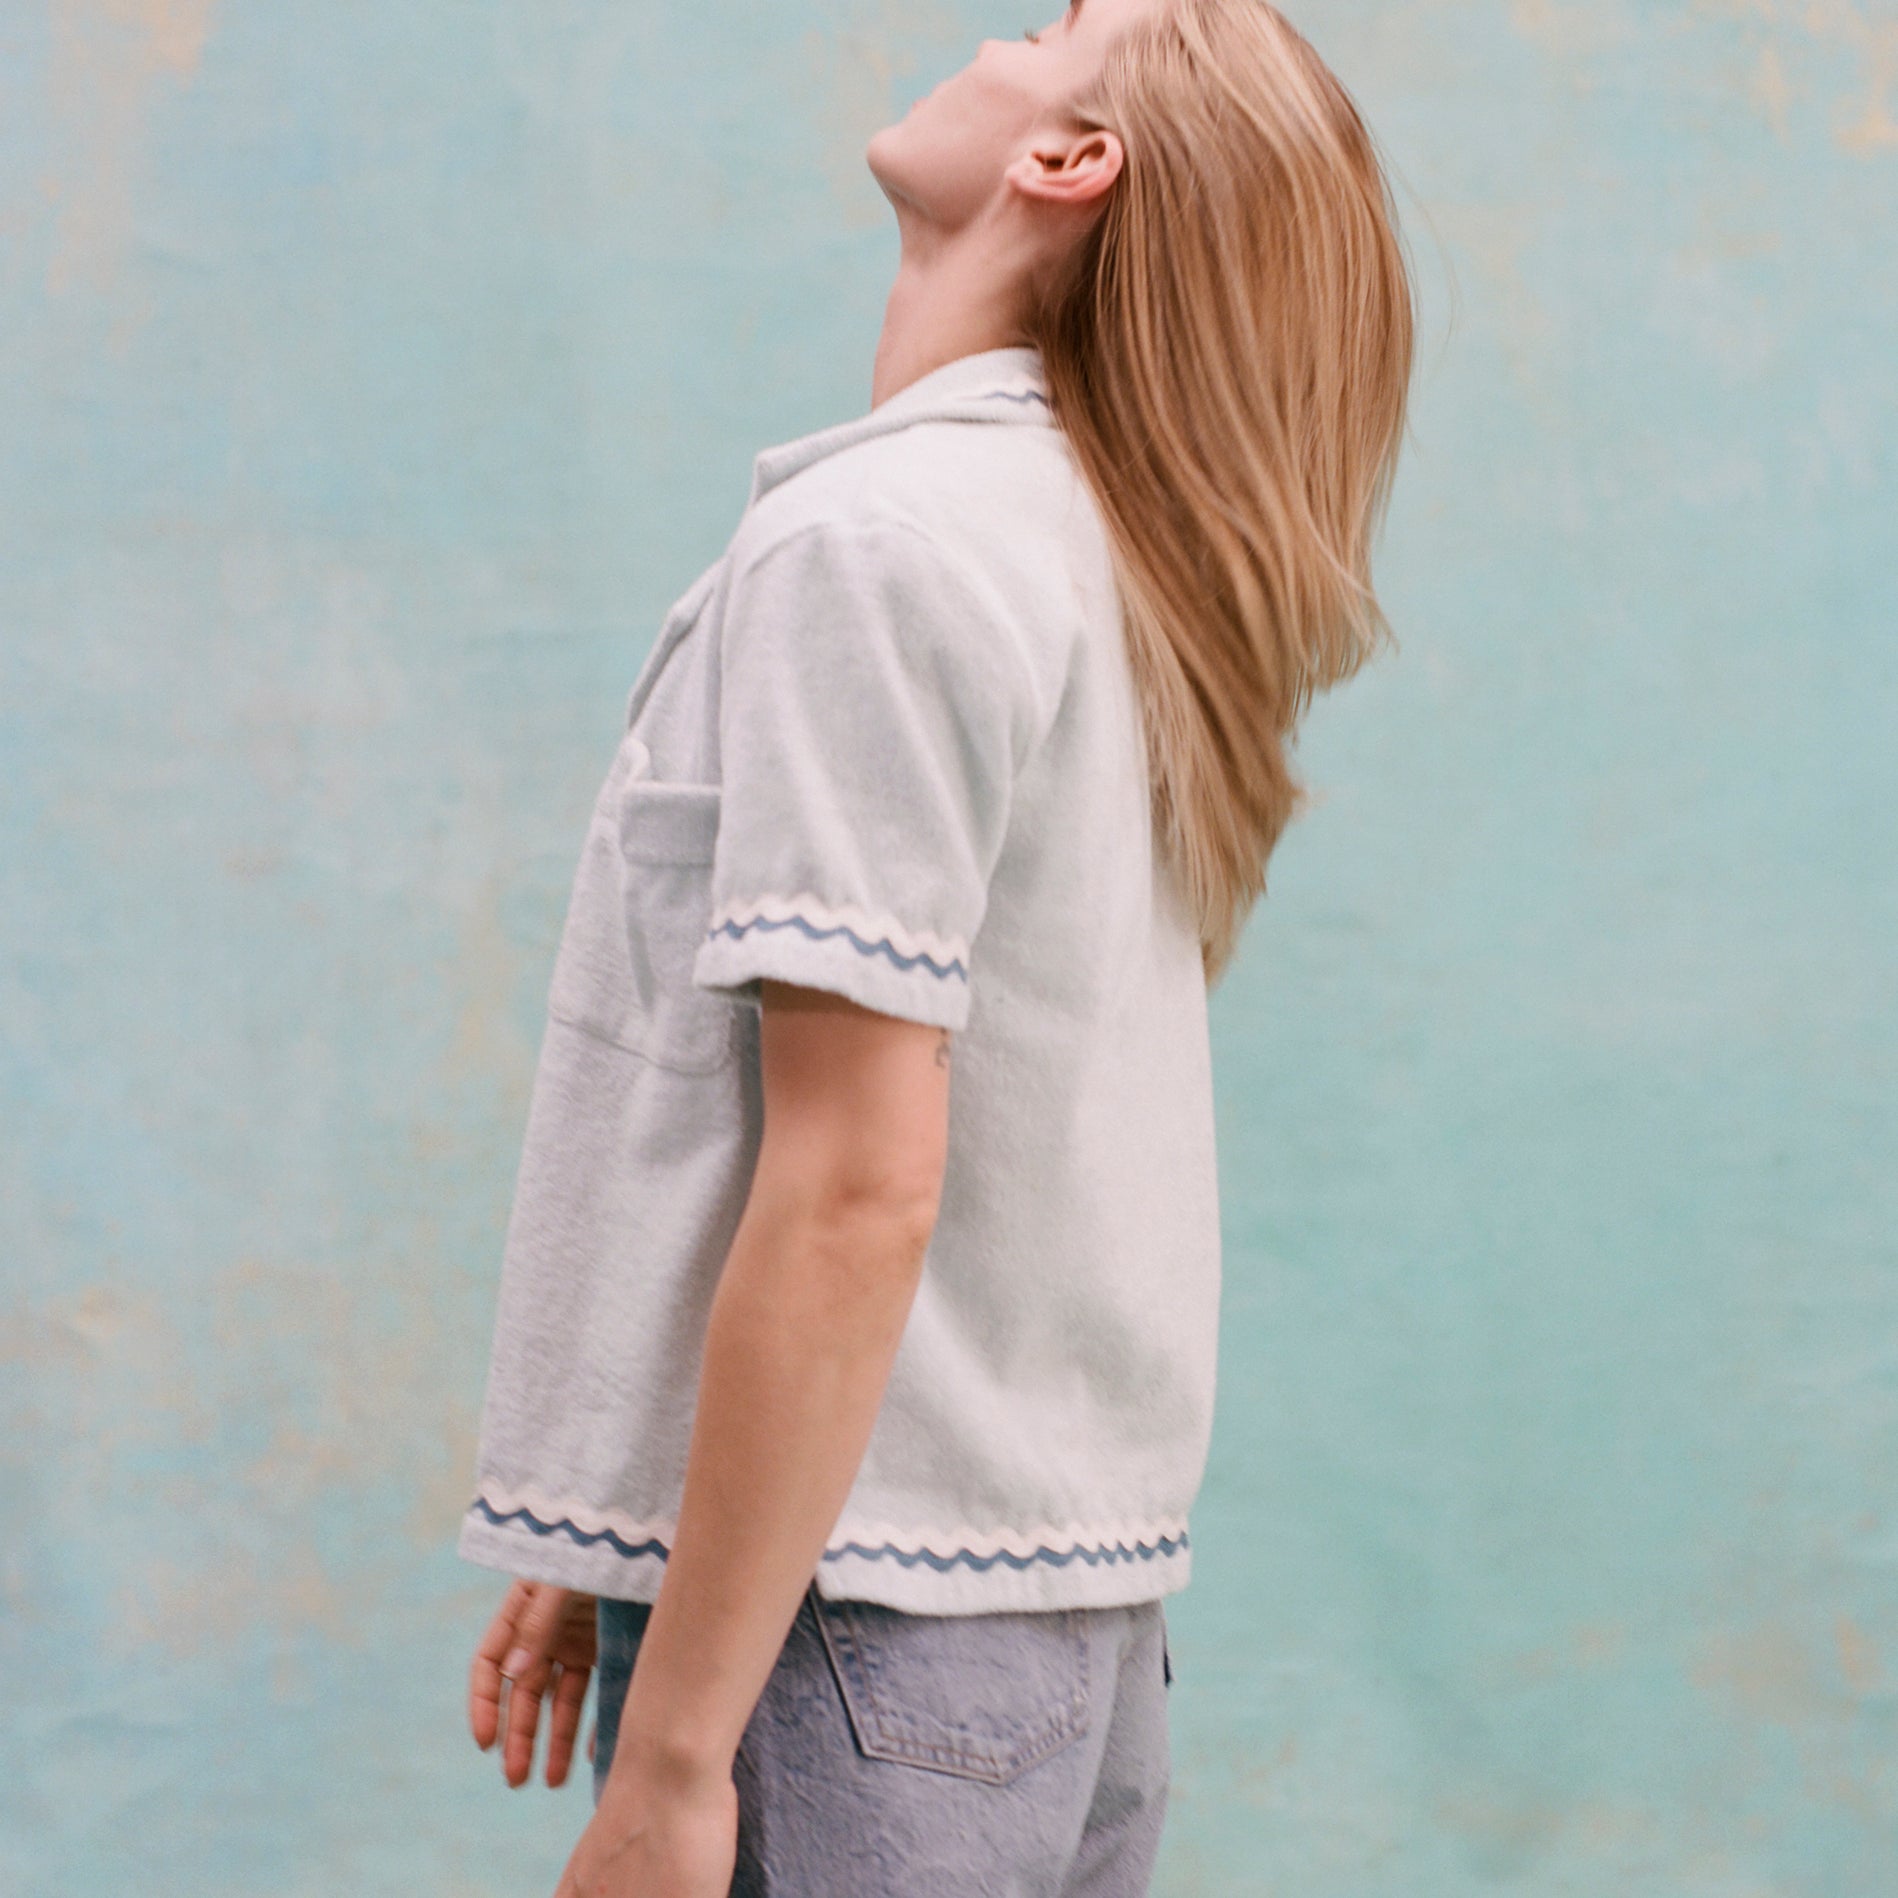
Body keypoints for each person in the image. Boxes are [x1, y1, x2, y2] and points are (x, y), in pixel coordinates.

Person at [457, 1, 1414, 1891]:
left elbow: (857, 1185)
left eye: (1056, 26)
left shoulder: (882, 546)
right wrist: (627, 1515)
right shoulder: (1076, 551)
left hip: (851, 1634)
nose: (995, 32)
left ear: (1071, 161)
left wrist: (670, 1759)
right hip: (1051, 1630)